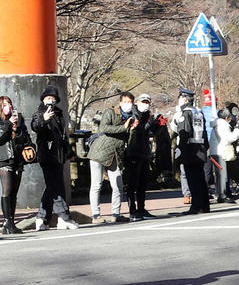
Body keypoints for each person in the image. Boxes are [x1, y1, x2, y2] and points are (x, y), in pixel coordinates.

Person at [31, 84, 78, 231]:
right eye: (47, 98)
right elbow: (35, 126)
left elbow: (63, 136)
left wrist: (69, 153)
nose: (50, 101)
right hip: (46, 153)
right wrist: (44, 119)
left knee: (53, 187)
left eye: (52, 98)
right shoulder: (39, 112)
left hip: (58, 155)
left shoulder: (59, 114)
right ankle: (64, 217)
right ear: (43, 99)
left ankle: (42, 218)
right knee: (55, 187)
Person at [0, 95, 32, 234]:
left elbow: (25, 138)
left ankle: (11, 222)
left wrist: (17, 128)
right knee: (7, 190)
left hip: (18, 158)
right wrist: (7, 124)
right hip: (4, 158)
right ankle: (6, 222)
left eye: (10, 104)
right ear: (0, 106)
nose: (9, 107)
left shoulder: (19, 119)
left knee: (14, 192)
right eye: (5, 104)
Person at [87, 91, 132, 225]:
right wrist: (124, 127)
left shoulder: (131, 117)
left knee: (117, 185)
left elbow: (127, 138)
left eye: (130, 102)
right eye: (125, 101)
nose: (127, 105)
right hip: (99, 152)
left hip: (115, 155)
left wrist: (132, 129)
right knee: (96, 185)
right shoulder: (110, 112)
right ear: (120, 102)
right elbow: (104, 128)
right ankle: (96, 215)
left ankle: (116, 213)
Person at [172, 89, 211, 214]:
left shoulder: (186, 113)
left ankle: (196, 206)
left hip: (190, 150)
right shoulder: (198, 112)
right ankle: (205, 205)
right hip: (200, 148)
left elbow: (185, 133)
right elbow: (204, 132)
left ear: (185, 99)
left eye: (180, 98)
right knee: (201, 179)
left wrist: (180, 148)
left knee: (192, 180)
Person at [124, 94, 158, 220]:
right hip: (133, 151)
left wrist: (155, 125)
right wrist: (148, 125)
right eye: (143, 101)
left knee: (143, 183)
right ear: (137, 102)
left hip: (144, 151)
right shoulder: (132, 113)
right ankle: (132, 210)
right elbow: (135, 130)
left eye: (147, 102)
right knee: (132, 183)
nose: (145, 104)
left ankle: (141, 209)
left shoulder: (147, 114)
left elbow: (148, 132)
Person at [211, 106, 239, 201]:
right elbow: (229, 138)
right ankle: (222, 195)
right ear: (226, 117)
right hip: (221, 152)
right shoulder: (223, 125)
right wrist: (238, 130)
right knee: (223, 175)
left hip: (216, 152)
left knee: (221, 174)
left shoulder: (218, 124)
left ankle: (223, 194)